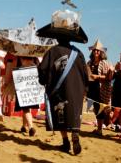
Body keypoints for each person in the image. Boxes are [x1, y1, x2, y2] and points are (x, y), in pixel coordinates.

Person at [37, 9, 88, 155]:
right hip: (77, 90)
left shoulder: (52, 52)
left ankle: (65, 141)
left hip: (59, 90)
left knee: (61, 115)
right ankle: (75, 134)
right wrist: (84, 89)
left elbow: (43, 71)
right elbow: (86, 74)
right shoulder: (79, 53)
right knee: (74, 114)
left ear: (57, 37)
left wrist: (42, 78)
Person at [86, 39, 113, 136]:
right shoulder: (89, 62)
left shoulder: (104, 63)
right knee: (95, 108)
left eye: (98, 50)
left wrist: (97, 77)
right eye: (94, 50)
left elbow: (108, 77)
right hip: (91, 88)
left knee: (101, 108)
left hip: (101, 88)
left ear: (101, 52)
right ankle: (99, 128)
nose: (96, 52)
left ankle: (100, 129)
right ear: (92, 52)